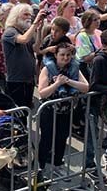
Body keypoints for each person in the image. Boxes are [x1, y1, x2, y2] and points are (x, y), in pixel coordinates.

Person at [37, 43, 89, 172]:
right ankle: (40, 167)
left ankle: (57, 163)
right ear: (56, 55)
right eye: (62, 55)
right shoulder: (47, 69)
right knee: (46, 139)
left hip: (66, 111)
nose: (65, 58)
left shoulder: (74, 68)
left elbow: (86, 87)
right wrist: (57, 84)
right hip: (49, 110)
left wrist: (69, 81)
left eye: (68, 55)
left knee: (61, 138)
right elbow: (42, 92)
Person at [2, 4, 46, 108]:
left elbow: (36, 48)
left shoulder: (25, 32)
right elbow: (23, 40)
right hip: (16, 80)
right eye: (25, 14)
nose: (29, 17)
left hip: (28, 79)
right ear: (16, 16)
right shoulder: (10, 31)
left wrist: (39, 30)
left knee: (27, 110)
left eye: (30, 15)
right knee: (18, 112)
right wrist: (35, 24)